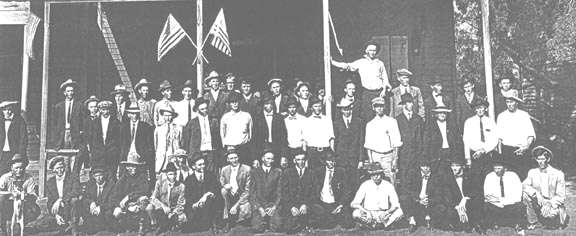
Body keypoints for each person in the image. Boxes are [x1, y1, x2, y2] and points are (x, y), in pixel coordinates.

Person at [331, 42, 391, 119]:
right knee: (368, 115)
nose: (372, 52)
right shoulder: (361, 62)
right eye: (370, 50)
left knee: (381, 115)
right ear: (366, 51)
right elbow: (347, 66)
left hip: (379, 93)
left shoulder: (380, 63)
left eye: (374, 50)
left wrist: (384, 90)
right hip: (367, 93)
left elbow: (385, 78)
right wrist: (333, 62)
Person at [428, 156, 484, 233]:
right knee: (446, 212)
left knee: (477, 201)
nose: (454, 168)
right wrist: (457, 207)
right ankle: (463, 224)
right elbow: (447, 196)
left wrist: (466, 198)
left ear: (463, 166)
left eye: (457, 166)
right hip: (456, 206)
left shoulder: (470, 176)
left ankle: (477, 224)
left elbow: (477, 190)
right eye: (452, 166)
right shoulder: (448, 178)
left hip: (468, 203)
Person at [523, 146, 568, 230]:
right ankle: (533, 221)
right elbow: (524, 185)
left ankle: (556, 218)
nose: (541, 162)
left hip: (552, 202)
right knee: (525, 194)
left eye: (543, 159)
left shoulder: (558, 174)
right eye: (539, 159)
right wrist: (535, 193)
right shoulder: (532, 172)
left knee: (549, 215)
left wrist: (550, 203)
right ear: (536, 159)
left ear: (548, 159)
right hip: (539, 200)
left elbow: (561, 196)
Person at [350, 163, 403, 229]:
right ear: (370, 175)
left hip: (384, 214)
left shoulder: (388, 185)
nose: (376, 176)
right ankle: (371, 224)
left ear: (381, 174)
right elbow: (354, 204)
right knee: (356, 213)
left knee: (400, 211)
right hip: (369, 214)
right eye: (373, 174)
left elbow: (395, 204)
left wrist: (387, 212)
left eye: (378, 174)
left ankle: (385, 225)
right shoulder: (365, 185)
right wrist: (366, 211)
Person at [496, 91, 535, 180]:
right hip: (508, 152)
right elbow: (499, 138)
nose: (509, 104)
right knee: (509, 178)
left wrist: (526, 147)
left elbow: (531, 135)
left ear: (516, 102)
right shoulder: (501, 116)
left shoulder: (524, 115)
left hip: (522, 151)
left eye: (512, 102)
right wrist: (501, 154)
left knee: (524, 176)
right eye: (507, 102)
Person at [310, 151, 353, 229]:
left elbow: (347, 190)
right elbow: (313, 190)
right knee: (325, 224)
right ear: (325, 161)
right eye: (329, 160)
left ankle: (334, 217)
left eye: (333, 160)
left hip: (336, 203)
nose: (331, 162)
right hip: (322, 202)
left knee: (348, 223)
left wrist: (341, 205)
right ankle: (329, 218)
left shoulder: (341, 171)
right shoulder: (318, 171)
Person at [364, 97, 402, 183]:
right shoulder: (370, 124)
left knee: (391, 181)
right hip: (376, 156)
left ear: (384, 107)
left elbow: (396, 142)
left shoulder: (392, 122)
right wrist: (371, 161)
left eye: (381, 106)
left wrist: (395, 159)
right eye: (377, 106)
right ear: (373, 108)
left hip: (388, 156)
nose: (380, 108)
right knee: (376, 182)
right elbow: (368, 145)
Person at [0, 154, 40, 234]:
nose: (19, 170)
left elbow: (33, 196)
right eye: (16, 168)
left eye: (21, 168)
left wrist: (24, 195)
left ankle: (21, 225)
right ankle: (3, 224)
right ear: (11, 168)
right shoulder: (5, 177)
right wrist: (11, 194)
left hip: (22, 205)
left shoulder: (29, 178)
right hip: (7, 205)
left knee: (35, 209)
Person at [111, 152, 150, 233]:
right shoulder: (123, 178)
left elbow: (144, 191)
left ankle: (141, 227)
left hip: (139, 204)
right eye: (131, 166)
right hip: (126, 206)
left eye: (135, 166)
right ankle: (124, 227)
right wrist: (123, 204)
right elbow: (115, 194)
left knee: (144, 199)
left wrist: (129, 197)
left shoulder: (142, 177)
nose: (134, 169)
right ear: (127, 167)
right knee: (117, 212)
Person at [483, 158, 525, 234]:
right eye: (495, 168)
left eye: (499, 168)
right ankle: (494, 223)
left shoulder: (513, 176)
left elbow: (518, 195)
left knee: (520, 206)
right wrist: (498, 201)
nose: (496, 170)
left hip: (510, 205)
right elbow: (487, 195)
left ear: (505, 168)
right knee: (486, 206)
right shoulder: (489, 176)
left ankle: (518, 225)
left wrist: (501, 200)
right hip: (496, 205)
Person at [463, 99, 498, 187]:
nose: (480, 110)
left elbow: (494, 139)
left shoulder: (490, 121)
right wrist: (468, 158)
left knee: (489, 178)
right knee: (476, 180)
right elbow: (466, 140)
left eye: (482, 108)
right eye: (477, 108)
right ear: (475, 109)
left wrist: (483, 150)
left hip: (487, 154)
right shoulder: (469, 122)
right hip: (474, 155)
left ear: (485, 109)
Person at [181, 98, 221, 176]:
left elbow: (217, 139)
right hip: (197, 153)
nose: (205, 111)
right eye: (202, 109)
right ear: (197, 110)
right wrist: (189, 154)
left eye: (206, 108)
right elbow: (186, 141)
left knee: (211, 174)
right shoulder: (192, 123)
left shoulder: (213, 121)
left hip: (210, 153)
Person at [183, 154, 220, 233]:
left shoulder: (210, 175)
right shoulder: (189, 179)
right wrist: (195, 204)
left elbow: (215, 189)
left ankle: (213, 223)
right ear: (193, 166)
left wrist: (206, 195)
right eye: (199, 165)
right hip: (195, 205)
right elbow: (188, 195)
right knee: (188, 227)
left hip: (209, 203)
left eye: (203, 164)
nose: (202, 166)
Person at [280, 151, 315, 233]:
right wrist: (291, 207)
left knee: (320, 214)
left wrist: (306, 204)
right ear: (294, 161)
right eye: (298, 159)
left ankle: (304, 223)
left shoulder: (311, 173)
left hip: (305, 205)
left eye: (303, 159)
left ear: (305, 160)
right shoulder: (287, 173)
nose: (301, 162)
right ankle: (302, 224)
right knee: (288, 228)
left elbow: (314, 193)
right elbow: (284, 193)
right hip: (292, 205)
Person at [45, 156, 82, 235]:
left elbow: (76, 191)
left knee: (74, 200)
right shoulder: (50, 182)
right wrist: (56, 215)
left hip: (70, 207)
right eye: (57, 168)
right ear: (53, 169)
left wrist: (61, 199)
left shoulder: (72, 178)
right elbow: (50, 201)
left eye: (61, 167)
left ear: (64, 167)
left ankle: (74, 227)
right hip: (60, 210)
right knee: (44, 224)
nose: (60, 170)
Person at [146, 162, 186, 234]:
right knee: (149, 207)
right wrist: (163, 206)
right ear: (166, 174)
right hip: (162, 210)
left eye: (174, 174)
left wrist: (173, 212)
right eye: (170, 174)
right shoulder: (160, 183)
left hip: (174, 211)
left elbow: (181, 203)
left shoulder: (181, 186)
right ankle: (155, 225)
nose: (173, 176)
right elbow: (153, 198)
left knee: (183, 219)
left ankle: (171, 225)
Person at [250, 147, 283, 233]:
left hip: (272, 205)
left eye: (272, 159)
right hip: (260, 205)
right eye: (268, 158)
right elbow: (252, 193)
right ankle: (264, 220)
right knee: (257, 228)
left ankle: (270, 220)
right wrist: (260, 208)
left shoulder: (278, 172)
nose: (270, 161)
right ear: (262, 159)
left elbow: (280, 192)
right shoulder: (254, 172)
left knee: (277, 227)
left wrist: (274, 207)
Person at [120, 104, 155, 187]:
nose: (134, 116)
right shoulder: (123, 127)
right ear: (128, 115)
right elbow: (121, 143)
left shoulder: (146, 127)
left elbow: (150, 145)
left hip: (140, 155)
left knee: (140, 177)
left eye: (136, 114)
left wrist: (144, 154)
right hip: (127, 154)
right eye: (132, 114)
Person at [423, 105, 463, 176]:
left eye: (444, 113)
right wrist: (425, 161)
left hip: (449, 154)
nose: (442, 115)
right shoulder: (430, 127)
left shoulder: (452, 126)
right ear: (436, 114)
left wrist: (458, 159)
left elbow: (458, 142)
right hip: (436, 156)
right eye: (440, 113)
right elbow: (426, 144)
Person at [86, 100, 121, 180]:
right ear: (100, 110)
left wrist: (115, 151)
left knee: (111, 175)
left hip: (111, 153)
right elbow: (91, 139)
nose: (105, 112)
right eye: (103, 109)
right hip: (98, 154)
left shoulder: (116, 123)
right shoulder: (94, 123)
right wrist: (93, 151)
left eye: (107, 109)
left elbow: (119, 140)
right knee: (98, 175)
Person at [219, 149, 252, 232]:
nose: (234, 160)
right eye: (231, 158)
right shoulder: (224, 169)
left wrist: (236, 206)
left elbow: (248, 190)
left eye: (235, 157)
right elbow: (221, 183)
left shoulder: (247, 169)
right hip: (229, 195)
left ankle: (239, 222)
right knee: (223, 191)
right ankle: (227, 220)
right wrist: (225, 185)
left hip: (241, 195)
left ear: (238, 157)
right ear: (228, 160)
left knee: (245, 209)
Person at [395, 93, 425, 183]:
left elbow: (422, 137)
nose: (411, 104)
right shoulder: (397, 120)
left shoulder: (418, 119)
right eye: (408, 102)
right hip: (404, 154)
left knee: (415, 177)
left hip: (416, 153)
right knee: (404, 177)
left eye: (412, 102)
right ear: (404, 104)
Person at [399, 159, 433, 233]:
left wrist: (428, 200)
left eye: (428, 166)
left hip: (429, 199)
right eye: (423, 166)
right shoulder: (414, 175)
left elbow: (438, 191)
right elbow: (408, 190)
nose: (426, 168)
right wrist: (418, 199)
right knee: (404, 198)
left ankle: (428, 218)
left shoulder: (435, 176)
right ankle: (412, 221)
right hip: (418, 199)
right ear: (420, 167)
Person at [50, 78, 84, 149]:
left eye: (72, 91)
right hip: (63, 133)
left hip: (75, 133)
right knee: (64, 154)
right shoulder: (59, 106)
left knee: (75, 154)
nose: (70, 93)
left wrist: (80, 131)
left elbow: (83, 120)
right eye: (68, 91)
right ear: (64, 93)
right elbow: (54, 122)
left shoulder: (79, 105)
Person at [220, 93, 253, 163]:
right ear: (229, 104)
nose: (235, 104)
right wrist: (226, 146)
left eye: (236, 102)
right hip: (231, 148)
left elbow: (250, 133)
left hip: (244, 148)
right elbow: (222, 133)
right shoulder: (225, 117)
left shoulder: (247, 116)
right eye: (232, 102)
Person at [80, 168, 115, 234]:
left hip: (105, 209)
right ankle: (90, 228)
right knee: (83, 205)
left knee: (109, 213)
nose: (98, 178)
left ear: (104, 175)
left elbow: (112, 202)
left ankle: (107, 230)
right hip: (94, 209)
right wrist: (91, 203)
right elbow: (85, 197)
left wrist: (101, 208)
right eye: (96, 176)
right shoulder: (90, 185)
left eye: (100, 175)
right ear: (93, 177)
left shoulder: (111, 185)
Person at [253, 97, 287, 165]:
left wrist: (283, 155)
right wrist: (255, 158)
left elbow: (283, 137)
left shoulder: (279, 118)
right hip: (262, 149)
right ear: (263, 105)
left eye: (271, 104)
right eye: (266, 104)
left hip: (277, 149)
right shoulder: (257, 118)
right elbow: (254, 139)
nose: (269, 106)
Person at [333, 99, 365, 170]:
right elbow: (335, 142)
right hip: (341, 160)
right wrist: (334, 158)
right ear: (341, 110)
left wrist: (360, 160)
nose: (347, 111)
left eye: (349, 109)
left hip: (354, 159)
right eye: (345, 109)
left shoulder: (358, 122)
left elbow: (361, 141)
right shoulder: (337, 123)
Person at [303, 97, 335, 169]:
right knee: (312, 175)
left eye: (319, 106)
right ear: (311, 107)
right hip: (312, 152)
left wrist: (331, 154)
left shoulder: (327, 119)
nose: (318, 108)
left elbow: (331, 137)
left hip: (325, 151)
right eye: (315, 106)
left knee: (324, 174)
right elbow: (304, 140)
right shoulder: (307, 121)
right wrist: (305, 156)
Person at [0, 101, 27, 175]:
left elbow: (23, 139)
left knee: (14, 174)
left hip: (14, 153)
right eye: (5, 110)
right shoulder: (1, 121)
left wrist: (19, 153)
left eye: (10, 109)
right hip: (2, 154)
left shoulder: (19, 121)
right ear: (2, 111)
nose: (8, 112)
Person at [154, 105, 181, 173]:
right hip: (162, 155)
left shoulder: (178, 129)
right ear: (163, 116)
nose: (168, 118)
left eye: (170, 115)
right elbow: (155, 144)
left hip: (173, 154)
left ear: (173, 116)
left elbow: (179, 142)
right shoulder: (158, 129)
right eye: (166, 115)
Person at [282, 98, 305, 165]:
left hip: (300, 148)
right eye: (290, 107)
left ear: (297, 108)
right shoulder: (284, 120)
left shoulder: (302, 119)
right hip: (289, 149)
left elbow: (305, 135)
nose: (292, 109)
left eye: (294, 107)